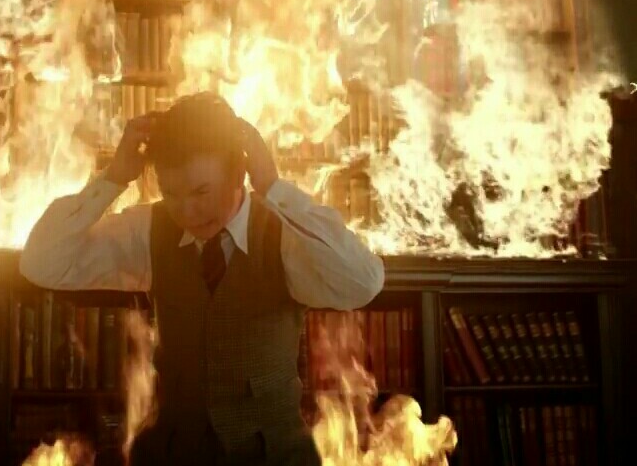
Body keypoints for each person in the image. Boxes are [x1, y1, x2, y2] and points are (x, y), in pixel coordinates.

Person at [20, 92, 386, 466]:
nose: (187, 211)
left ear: (239, 174)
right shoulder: (148, 230)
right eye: (171, 193)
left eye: (201, 191)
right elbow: (42, 263)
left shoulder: (283, 235)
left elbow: (363, 282)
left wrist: (273, 187)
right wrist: (115, 177)